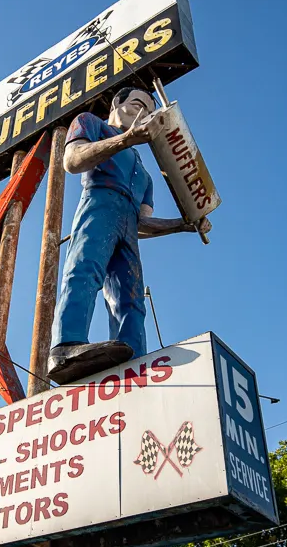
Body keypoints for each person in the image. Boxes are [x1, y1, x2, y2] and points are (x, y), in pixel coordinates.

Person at [48, 86, 211, 384]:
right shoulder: (90, 123)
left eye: (148, 111)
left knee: (131, 296)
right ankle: (66, 344)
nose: (143, 114)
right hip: (99, 202)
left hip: (128, 226)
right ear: (116, 104)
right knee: (84, 270)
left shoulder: (144, 175)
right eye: (137, 105)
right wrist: (125, 139)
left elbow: (141, 223)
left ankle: (135, 359)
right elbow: (72, 161)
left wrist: (183, 224)